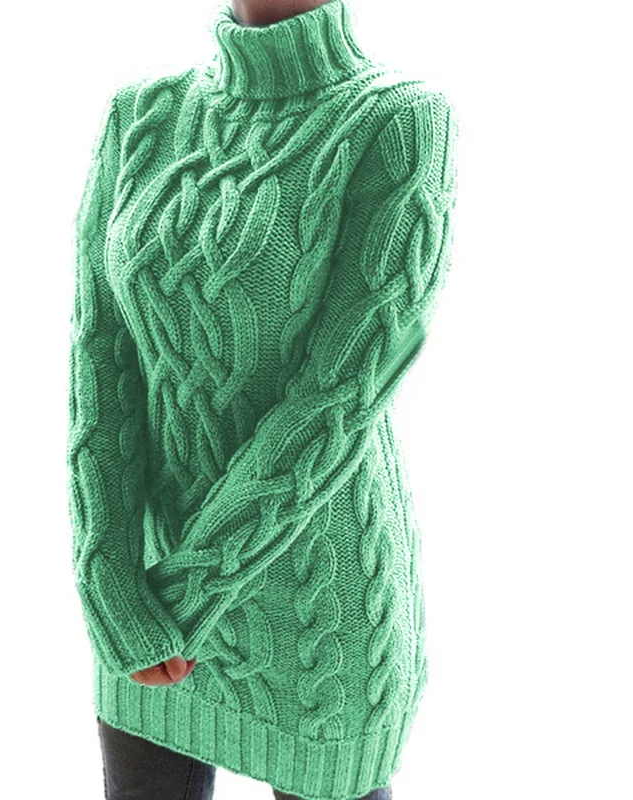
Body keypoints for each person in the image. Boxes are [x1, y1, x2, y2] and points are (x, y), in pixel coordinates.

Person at [67, 0, 459, 797]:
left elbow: (338, 398)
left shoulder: (398, 122)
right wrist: (111, 585)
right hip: (146, 615)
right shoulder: (141, 115)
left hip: (319, 623)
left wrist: (187, 594)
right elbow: (99, 364)